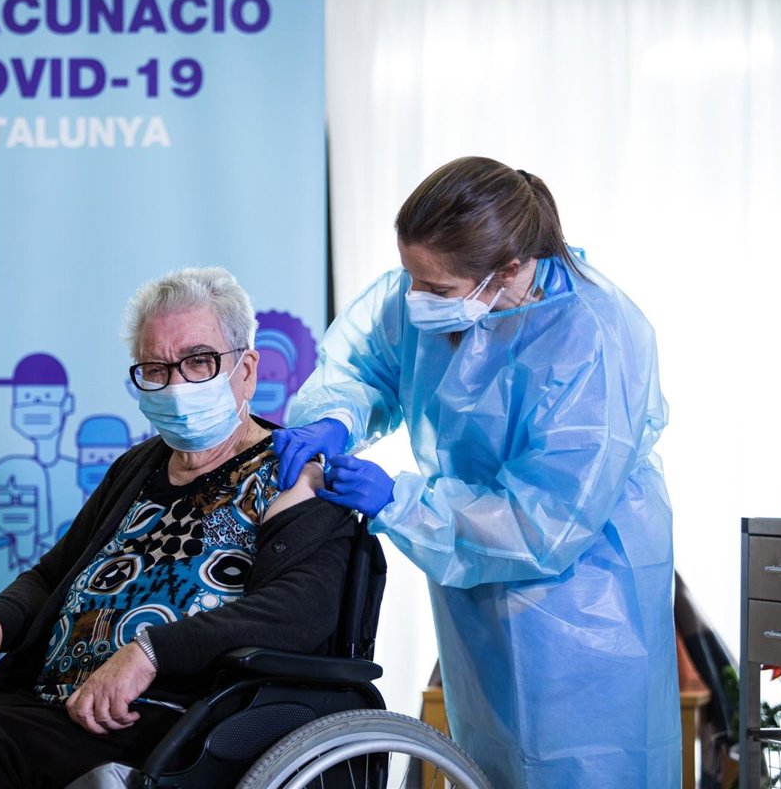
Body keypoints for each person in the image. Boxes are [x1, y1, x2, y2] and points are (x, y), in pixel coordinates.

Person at [0, 267, 354, 788]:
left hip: (172, 719)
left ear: (246, 370)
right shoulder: (140, 467)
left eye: (199, 362)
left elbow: (302, 607)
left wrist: (152, 651)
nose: (176, 385)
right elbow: (53, 575)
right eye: (155, 368)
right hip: (58, 698)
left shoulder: (291, 473)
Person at [272, 156, 679, 787]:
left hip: (584, 599)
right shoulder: (433, 290)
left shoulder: (593, 337)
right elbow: (362, 368)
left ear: (508, 269)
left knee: (581, 764)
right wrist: (336, 417)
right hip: (472, 572)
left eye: (436, 290)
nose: (416, 300)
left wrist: (401, 503)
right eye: (411, 278)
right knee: (488, 758)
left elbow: (546, 524)